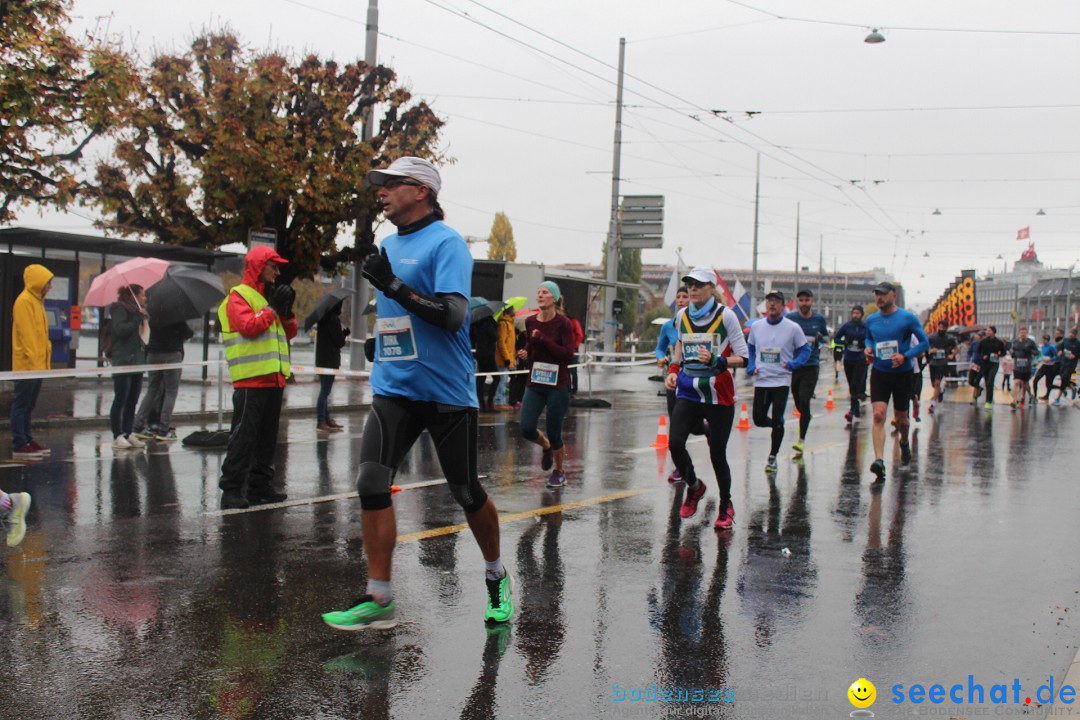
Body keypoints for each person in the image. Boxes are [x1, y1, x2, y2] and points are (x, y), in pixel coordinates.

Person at [321, 156, 512, 631]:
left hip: (445, 392)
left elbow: (451, 315)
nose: (380, 192)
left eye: (390, 184)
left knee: (466, 491)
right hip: (395, 389)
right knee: (371, 484)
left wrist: (395, 286)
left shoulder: (447, 243)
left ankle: (496, 574)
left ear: (421, 190)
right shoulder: (388, 243)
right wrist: (379, 338)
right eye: (378, 184)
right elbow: (398, 312)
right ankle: (379, 597)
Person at [663, 267, 749, 531]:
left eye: (698, 284)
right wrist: (674, 370)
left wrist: (718, 360)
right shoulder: (681, 316)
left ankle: (726, 505)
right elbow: (680, 347)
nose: (692, 289)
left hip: (718, 393)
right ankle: (695, 486)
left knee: (717, 453)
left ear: (712, 288)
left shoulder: (727, 317)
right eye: (689, 284)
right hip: (688, 389)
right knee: (675, 443)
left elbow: (744, 359)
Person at [217, 246, 297, 509]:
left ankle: (259, 486)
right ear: (258, 266)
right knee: (244, 437)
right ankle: (231, 490)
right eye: (273, 265)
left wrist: (285, 312)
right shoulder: (238, 296)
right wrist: (273, 309)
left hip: (273, 380)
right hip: (251, 381)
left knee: (266, 438)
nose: (278, 271)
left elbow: (289, 333)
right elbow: (249, 328)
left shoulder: (264, 299)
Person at [864, 282, 929, 482]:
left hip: (902, 373)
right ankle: (879, 461)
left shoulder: (907, 317)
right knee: (878, 415)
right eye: (876, 294)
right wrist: (868, 348)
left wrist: (906, 356)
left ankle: (904, 442)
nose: (879, 298)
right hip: (880, 373)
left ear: (893, 295)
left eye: (883, 294)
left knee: (901, 419)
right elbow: (869, 339)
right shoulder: (871, 319)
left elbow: (925, 343)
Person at [516, 281, 577, 489]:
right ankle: (546, 446)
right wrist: (526, 353)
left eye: (545, 292)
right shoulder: (531, 321)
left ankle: (559, 472)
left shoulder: (564, 324)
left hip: (557, 385)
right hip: (535, 382)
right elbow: (532, 348)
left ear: (554, 298)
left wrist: (543, 340)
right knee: (525, 427)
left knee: (554, 430)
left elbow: (568, 355)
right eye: (538, 292)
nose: (540, 295)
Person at [746, 291, 810, 473]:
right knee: (758, 419)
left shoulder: (792, 328)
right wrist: (751, 365)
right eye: (769, 301)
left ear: (783, 306)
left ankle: (772, 457)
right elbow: (750, 348)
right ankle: (778, 425)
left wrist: (794, 364)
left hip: (781, 380)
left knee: (778, 415)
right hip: (762, 379)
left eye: (776, 301)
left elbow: (805, 349)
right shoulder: (757, 327)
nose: (772, 304)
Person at [10, 264, 53, 460]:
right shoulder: (25, 302)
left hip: (36, 366)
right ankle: (20, 443)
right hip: (27, 367)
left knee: (28, 404)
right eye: (47, 283)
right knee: (22, 404)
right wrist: (36, 367)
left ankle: (27, 438)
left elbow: (41, 338)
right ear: (39, 283)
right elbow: (28, 338)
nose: (49, 287)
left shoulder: (36, 302)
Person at [132, 319, 194, 441]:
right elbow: (188, 333)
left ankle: (138, 425)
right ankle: (164, 429)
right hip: (171, 355)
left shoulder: (155, 314)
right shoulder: (176, 316)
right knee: (171, 392)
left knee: (152, 390)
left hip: (153, 354)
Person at [785, 290, 829, 458]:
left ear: (812, 301)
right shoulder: (791, 319)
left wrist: (821, 338)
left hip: (811, 366)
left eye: (807, 300)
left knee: (804, 401)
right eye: (801, 300)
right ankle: (805, 419)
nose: (804, 303)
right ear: (797, 302)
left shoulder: (818, 319)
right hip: (795, 367)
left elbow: (826, 337)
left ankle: (801, 441)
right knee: (799, 404)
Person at [655, 286, 690, 483]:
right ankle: (680, 467)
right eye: (678, 297)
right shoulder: (668, 326)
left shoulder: (697, 324)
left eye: (685, 297)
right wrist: (661, 358)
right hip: (674, 377)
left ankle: (708, 431)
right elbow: (659, 348)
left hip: (694, 378)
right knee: (675, 421)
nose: (681, 300)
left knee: (692, 423)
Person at [109, 284, 148, 450]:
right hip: (124, 361)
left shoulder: (138, 311)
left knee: (133, 399)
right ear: (134, 296)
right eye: (142, 295)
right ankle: (117, 435)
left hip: (137, 361)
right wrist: (136, 319)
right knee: (121, 398)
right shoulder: (119, 309)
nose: (145, 298)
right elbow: (120, 331)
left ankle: (127, 431)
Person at [315, 300, 349, 432]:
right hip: (330, 361)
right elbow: (339, 342)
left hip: (321, 361)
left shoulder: (322, 320)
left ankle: (326, 419)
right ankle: (321, 420)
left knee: (325, 390)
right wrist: (345, 334)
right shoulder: (334, 320)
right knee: (325, 392)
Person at [834, 305, 868, 423]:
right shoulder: (847, 326)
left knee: (856, 385)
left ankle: (851, 411)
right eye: (853, 313)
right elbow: (836, 338)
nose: (855, 315)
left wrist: (864, 344)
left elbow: (871, 339)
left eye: (858, 313)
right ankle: (856, 407)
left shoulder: (865, 326)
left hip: (860, 359)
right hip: (849, 358)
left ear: (862, 315)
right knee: (851, 385)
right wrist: (844, 342)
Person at [925, 319, 957, 414]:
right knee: (934, 384)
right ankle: (941, 391)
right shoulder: (932, 337)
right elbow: (925, 347)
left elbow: (956, 348)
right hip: (933, 362)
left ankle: (932, 403)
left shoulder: (949, 338)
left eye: (943, 327)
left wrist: (952, 355)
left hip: (943, 363)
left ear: (946, 328)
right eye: (939, 327)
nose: (941, 329)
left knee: (937, 383)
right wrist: (930, 350)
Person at [971, 325, 1005, 409]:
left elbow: (1003, 352)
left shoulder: (998, 342)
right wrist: (983, 356)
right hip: (985, 364)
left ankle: (988, 401)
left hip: (994, 363)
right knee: (980, 381)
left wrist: (998, 354)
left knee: (990, 381)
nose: (988, 332)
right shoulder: (983, 341)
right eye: (987, 331)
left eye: (989, 330)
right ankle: (978, 394)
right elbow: (978, 351)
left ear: (993, 332)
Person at [473, 314, 499, 411]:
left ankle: (481, 403)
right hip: (488, 354)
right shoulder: (489, 321)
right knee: (497, 378)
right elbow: (494, 336)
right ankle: (490, 402)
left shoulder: (476, 322)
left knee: (481, 379)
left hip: (479, 353)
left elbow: (473, 337)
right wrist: (496, 329)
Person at [1009, 325, 1039, 409]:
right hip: (1017, 365)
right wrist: (1012, 353)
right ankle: (1014, 401)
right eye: (1021, 332)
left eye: (1024, 333)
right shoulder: (1015, 342)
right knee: (1017, 382)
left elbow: (1037, 352)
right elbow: (1012, 350)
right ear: (1019, 333)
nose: (1023, 334)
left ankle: (1024, 397)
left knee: (1025, 384)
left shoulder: (1030, 342)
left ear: (1027, 333)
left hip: (1026, 366)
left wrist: (1030, 351)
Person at [493, 305, 516, 410]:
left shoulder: (510, 323)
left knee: (504, 380)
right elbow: (501, 342)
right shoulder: (503, 324)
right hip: (503, 358)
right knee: (501, 380)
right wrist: (507, 357)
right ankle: (499, 401)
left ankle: (502, 401)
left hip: (508, 357)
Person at [1053, 326, 1079, 405]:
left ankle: (1058, 398)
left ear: (1075, 335)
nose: (1071, 335)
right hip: (1063, 362)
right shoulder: (1065, 340)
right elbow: (1060, 347)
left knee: (1064, 379)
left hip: (1071, 364)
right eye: (1070, 333)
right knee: (1062, 376)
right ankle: (1073, 388)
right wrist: (1060, 351)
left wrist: (1075, 355)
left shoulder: (1078, 343)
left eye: (1073, 334)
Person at [1032, 334, 1058, 402]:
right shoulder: (1042, 347)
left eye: (1045, 340)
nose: (1043, 341)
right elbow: (1041, 356)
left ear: (1048, 340)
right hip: (1043, 366)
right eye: (1043, 340)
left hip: (1051, 367)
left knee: (1048, 384)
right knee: (1035, 380)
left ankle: (1047, 396)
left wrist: (1050, 359)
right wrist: (1038, 361)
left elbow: (1057, 356)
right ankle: (1035, 396)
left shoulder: (1052, 347)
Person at [967, 331, 985, 406]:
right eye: (978, 335)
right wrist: (970, 358)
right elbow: (970, 352)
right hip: (975, 364)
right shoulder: (974, 343)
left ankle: (974, 398)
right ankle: (979, 388)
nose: (979, 337)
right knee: (971, 381)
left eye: (981, 336)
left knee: (977, 380)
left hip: (983, 365)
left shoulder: (986, 344)